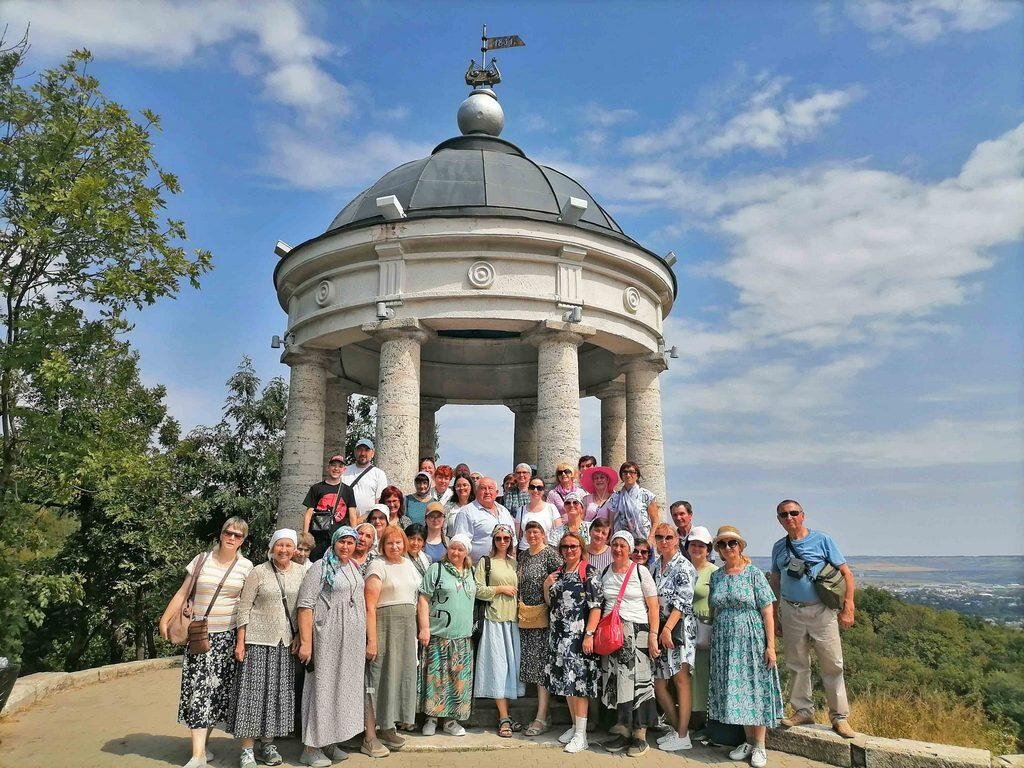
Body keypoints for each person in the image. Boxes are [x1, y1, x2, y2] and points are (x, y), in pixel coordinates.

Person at [160, 517, 254, 768]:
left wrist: (242, 640)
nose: (232, 538)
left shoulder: (246, 567)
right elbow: (183, 592)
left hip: (228, 636)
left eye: (238, 535)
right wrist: (165, 619)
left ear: (243, 540)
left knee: (216, 693)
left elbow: (247, 604)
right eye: (228, 532)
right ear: (221, 534)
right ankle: (198, 755)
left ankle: (203, 748)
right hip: (200, 635)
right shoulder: (202, 560)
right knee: (199, 691)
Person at [769, 500, 856, 738]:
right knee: (797, 664)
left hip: (821, 610)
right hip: (790, 610)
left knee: (833, 664)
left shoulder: (822, 540)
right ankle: (802, 710)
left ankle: (839, 717)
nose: (789, 518)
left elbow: (846, 573)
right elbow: (776, 581)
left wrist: (848, 605)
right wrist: (776, 613)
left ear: (803, 515)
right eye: (784, 514)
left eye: (793, 513)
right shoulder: (779, 547)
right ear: (779, 519)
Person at [708, 526, 783, 768]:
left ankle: (760, 744)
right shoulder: (717, 576)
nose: (728, 548)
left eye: (732, 543)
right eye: (722, 544)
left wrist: (770, 646)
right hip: (725, 640)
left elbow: (768, 611)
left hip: (750, 637)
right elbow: (713, 608)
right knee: (736, 689)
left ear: (740, 546)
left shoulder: (753, 574)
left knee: (754, 687)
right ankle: (748, 741)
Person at [296, 527, 371, 766]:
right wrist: (306, 642)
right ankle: (310, 747)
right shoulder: (320, 567)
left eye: (351, 542)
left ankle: (329, 741)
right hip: (327, 638)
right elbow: (305, 605)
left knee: (341, 690)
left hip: (351, 642)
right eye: (342, 542)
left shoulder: (353, 567)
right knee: (322, 688)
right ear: (334, 542)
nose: (346, 547)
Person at [230, 529, 305, 768]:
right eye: (279, 545)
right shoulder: (258, 572)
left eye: (288, 546)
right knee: (252, 696)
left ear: (294, 550)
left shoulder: (301, 572)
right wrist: (240, 642)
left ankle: (268, 744)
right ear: (272, 547)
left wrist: (300, 636)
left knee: (277, 696)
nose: (284, 550)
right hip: (258, 641)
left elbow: (304, 608)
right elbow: (243, 608)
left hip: (285, 643)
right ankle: (247, 749)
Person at [599, 530, 660, 757]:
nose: (617, 549)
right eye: (614, 545)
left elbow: (653, 606)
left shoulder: (640, 571)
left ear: (630, 548)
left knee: (640, 683)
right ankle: (623, 727)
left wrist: (654, 635)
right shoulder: (606, 571)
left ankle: (640, 732)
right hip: (612, 634)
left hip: (638, 631)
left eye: (622, 545)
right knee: (618, 682)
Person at [365, 526, 425, 752]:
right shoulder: (377, 565)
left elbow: (417, 597)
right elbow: (369, 605)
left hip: (407, 627)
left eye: (398, 542)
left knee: (400, 676)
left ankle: (388, 727)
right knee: (380, 677)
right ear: (383, 545)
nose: (395, 546)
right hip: (384, 625)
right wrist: (372, 639)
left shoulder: (409, 564)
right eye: (390, 543)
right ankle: (371, 734)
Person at [543, 532, 602, 754]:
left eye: (574, 546)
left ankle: (581, 735)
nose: (569, 550)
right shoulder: (558, 573)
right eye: (565, 546)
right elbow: (550, 602)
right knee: (565, 684)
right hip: (558, 636)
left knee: (579, 685)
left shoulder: (588, 572)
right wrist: (547, 584)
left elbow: (596, 606)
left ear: (581, 548)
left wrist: (589, 634)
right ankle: (575, 726)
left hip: (578, 638)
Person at [418, 534, 477, 737]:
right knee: (437, 679)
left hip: (462, 637)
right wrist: (424, 628)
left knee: (457, 680)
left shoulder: (471, 572)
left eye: (460, 549)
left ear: (466, 552)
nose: (456, 552)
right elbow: (424, 599)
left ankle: (451, 721)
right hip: (438, 635)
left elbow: (481, 592)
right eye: (453, 548)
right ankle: (432, 718)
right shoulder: (437, 569)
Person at [650, 522, 698, 752]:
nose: (664, 541)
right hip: (660, 629)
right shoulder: (655, 566)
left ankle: (682, 734)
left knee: (680, 680)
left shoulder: (684, 567)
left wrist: (667, 629)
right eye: (659, 537)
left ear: (676, 540)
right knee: (658, 683)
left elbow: (682, 602)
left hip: (678, 631)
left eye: (668, 537)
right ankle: (678, 728)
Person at [473, 524, 524, 737]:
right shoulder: (485, 563)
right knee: (498, 668)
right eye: (498, 538)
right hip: (493, 620)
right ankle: (503, 717)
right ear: (493, 541)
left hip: (513, 621)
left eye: (506, 538)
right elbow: (477, 589)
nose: (502, 542)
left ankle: (509, 715)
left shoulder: (514, 563)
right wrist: (499, 589)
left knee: (511, 669)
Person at [517, 520, 563, 737]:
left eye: (536, 532)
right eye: (529, 532)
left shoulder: (551, 554)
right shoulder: (524, 556)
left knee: (542, 667)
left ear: (544, 534)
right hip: (526, 619)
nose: (532, 535)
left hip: (545, 619)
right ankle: (543, 714)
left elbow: (563, 578)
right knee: (533, 667)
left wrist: (547, 587)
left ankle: (542, 717)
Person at [686, 526, 717, 736]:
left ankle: (705, 721)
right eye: (693, 544)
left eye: (701, 545)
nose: (697, 548)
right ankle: (695, 721)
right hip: (687, 629)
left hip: (706, 629)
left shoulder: (713, 572)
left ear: (708, 549)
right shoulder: (683, 568)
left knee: (704, 675)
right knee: (690, 675)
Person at [302, 456, 358, 561]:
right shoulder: (316, 488)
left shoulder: (348, 490)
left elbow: (352, 516)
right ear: (328, 468)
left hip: (339, 537)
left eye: (340, 466)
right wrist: (305, 535)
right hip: (318, 536)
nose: (336, 469)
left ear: (344, 470)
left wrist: (354, 536)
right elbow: (308, 513)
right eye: (333, 465)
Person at [451, 476, 516, 561]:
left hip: (505, 567)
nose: (487, 492)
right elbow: (460, 545)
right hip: (479, 568)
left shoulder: (504, 511)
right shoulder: (466, 513)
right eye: (483, 488)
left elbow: (513, 541)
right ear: (476, 492)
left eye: (490, 488)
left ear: (496, 492)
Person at [607, 461, 659, 547]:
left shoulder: (647, 495)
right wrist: (611, 536)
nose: (628, 475)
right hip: (622, 540)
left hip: (643, 539)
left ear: (637, 475)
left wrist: (651, 537)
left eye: (631, 472)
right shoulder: (615, 497)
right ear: (621, 475)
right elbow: (611, 521)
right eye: (625, 472)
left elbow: (655, 519)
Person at [342, 438, 389, 516]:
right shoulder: (344, 471)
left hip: (368, 520)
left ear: (373, 453)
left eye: (367, 450)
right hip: (345, 518)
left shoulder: (379, 474)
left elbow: (379, 502)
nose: (363, 453)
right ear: (355, 452)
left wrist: (364, 518)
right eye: (359, 450)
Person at [517, 477, 560, 550]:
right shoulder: (521, 510)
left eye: (539, 488)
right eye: (532, 487)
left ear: (543, 491)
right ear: (528, 489)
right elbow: (517, 535)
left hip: (545, 550)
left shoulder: (551, 508)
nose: (535, 490)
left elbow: (558, 533)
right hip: (525, 550)